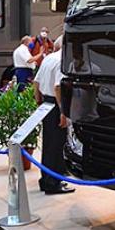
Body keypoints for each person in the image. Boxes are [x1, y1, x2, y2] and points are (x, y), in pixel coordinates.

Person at [32, 35, 73, 195]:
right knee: (57, 145)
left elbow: (36, 82)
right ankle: (53, 183)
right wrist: (63, 111)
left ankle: (46, 179)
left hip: (46, 103)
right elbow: (58, 87)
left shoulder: (49, 58)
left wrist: (38, 101)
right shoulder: (63, 61)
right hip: (56, 105)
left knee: (48, 144)